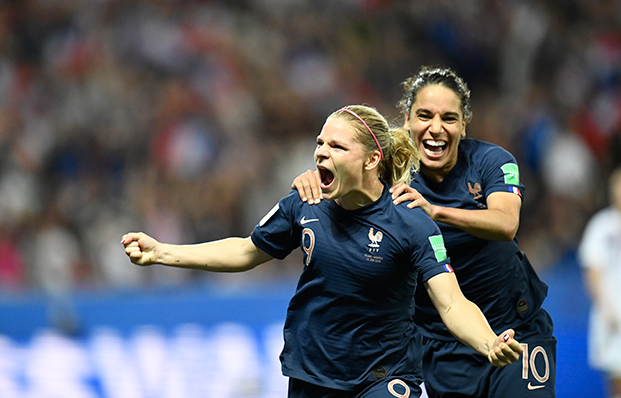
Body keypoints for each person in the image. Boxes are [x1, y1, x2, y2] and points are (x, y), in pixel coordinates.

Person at [122, 104, 522, 398]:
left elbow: (451, 303)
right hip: (313, 375)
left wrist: (488, 342)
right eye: (319, 143)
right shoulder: (304, 204)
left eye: (336, 146)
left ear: (371, 160)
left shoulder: (410, 222)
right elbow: (247, 251)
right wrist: (162, 253)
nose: (320, 153)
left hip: (384, 376)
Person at [293, 68, 556, 398]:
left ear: (463, 124)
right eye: (424, 115)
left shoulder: (492, 161)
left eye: (449, 118)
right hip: (438, 345)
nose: (436, 128)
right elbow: (344, 173)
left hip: (513, 330)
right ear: (406, 119)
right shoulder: (388, 176)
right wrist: (315, 179)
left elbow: (506, 224)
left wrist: (435, 211)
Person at [578, 167, 621, 398]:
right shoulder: (602, 225)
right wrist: (606, 308)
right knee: (616, 377)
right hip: (612, 314)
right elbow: (592, 269)